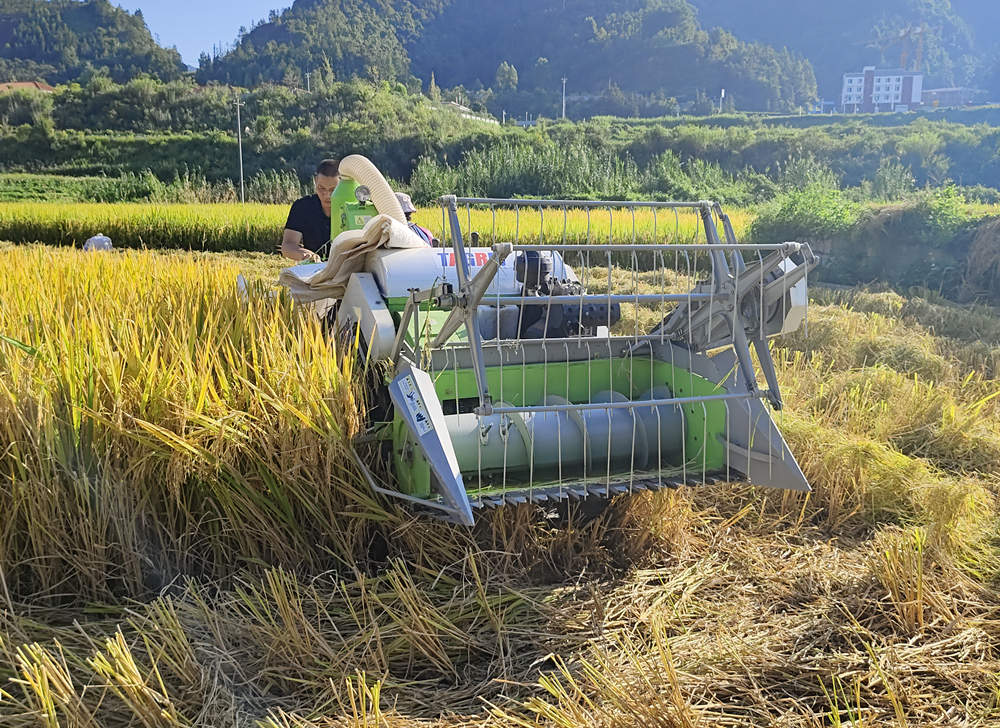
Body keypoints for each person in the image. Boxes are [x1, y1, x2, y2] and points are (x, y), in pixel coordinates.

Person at [281, 159, 341, 262]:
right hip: (313, 268)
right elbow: (288, 245)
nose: (327, 195)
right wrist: (304, 254)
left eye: (333, 190)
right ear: (315, 181)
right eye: (321, 188)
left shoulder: (353, 208)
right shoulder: (302, 207)